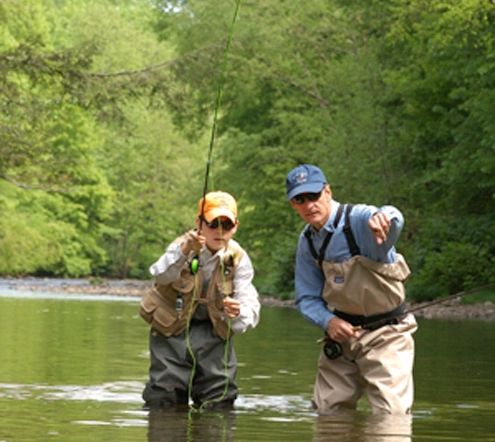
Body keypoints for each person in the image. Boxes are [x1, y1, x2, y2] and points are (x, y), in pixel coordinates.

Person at [286, 164, 417, 415]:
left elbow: (394, 218)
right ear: (293, 204)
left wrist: (386, 218)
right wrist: (329, 321)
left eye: (313, 196)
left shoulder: (359, 219)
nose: (308, 204)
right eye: (299, 199)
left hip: (388, 333)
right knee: (327, 413)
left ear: (327, 191)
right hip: (341, 335)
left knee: (391, 416)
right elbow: (306, 298)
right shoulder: (307, 242)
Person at [140, 190, 260, 410]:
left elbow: (249, 306)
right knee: (164, 397)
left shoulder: (238, 258)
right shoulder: (181, 246)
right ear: (199, 223)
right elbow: (160, 275)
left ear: (236, 226)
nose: (220, 232)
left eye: (228, 225)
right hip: (171, 329)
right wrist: (186, 251)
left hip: (214, 332)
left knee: (219, 399)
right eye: (214, 224)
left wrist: (237, 311)